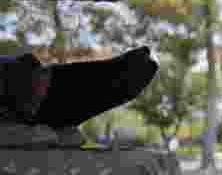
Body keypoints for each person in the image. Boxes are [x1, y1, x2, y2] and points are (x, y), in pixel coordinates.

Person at [0, 46, 158, 147]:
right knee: (43, 85)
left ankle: (35, 83)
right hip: (31, 98)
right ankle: (35, 86)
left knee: (43, 81)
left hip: (32, 92)